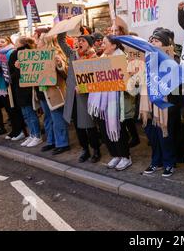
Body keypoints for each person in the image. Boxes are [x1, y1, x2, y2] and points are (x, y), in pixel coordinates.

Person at [88, 36, 132, 169]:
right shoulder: (101, 60)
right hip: (101, 104)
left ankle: (125, 156)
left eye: (104, 43)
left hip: (117, 102)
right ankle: (115, 155)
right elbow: (94, 80)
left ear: (114, 46)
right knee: (104, 130)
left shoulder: (123, 59)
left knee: (118, 130)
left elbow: (130, 84)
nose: (101, 45)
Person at [57, 32, 101, 163]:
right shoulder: (72, 54)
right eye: (78, 40)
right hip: (73, 96)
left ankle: (96, 150)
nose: (79, 43)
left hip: (87, 96)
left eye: (83, 41)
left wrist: (84, 87)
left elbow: (97, 79)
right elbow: (61, 41)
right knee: (77, 125)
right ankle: (85, 150)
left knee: (90, 125)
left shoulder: (95, 58)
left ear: (89, 44)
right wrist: (65, 23)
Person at [142, 30, 180, 177]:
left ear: (165, 44)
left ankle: (169, 163)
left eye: (156, 41)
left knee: (165, 134)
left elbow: (175, 80)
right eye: (151, 40)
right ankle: (156, 161)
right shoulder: (146, 58)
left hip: (165, 103)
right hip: (148, 102)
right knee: (152, 135)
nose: (153, 43)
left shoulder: (173, 58)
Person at [35, 34, 71, 155]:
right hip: (41, 91)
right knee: (48, 118)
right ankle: (51, 141)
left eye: (39, 39)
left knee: (57, 118)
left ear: (46, 41)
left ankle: (62, 143)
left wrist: (60, 64)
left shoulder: (56, 54)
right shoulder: (35, 55)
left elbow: (66, 72)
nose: (36, 41)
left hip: (54, 92)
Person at [0, 36, 27, 141]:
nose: (0, 44)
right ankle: (15, 130)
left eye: (2, 42)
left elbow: (9, 68)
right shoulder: (0, 53)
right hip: (2, 84)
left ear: (8, 42)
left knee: (14, 109)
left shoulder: (11, 52)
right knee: (9, 110)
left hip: (9, 84)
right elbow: (4, 68)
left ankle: (20, 130)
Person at [10, 37, 43, 148]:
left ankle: (37, 136)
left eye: (16, 42)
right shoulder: (18, 53)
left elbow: (26, 72)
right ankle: (32, 134)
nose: (14, 44)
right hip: (20, 88)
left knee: (30, 113)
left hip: (26, 88)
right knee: (26, 113)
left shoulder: (25, 53)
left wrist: (16, 72)